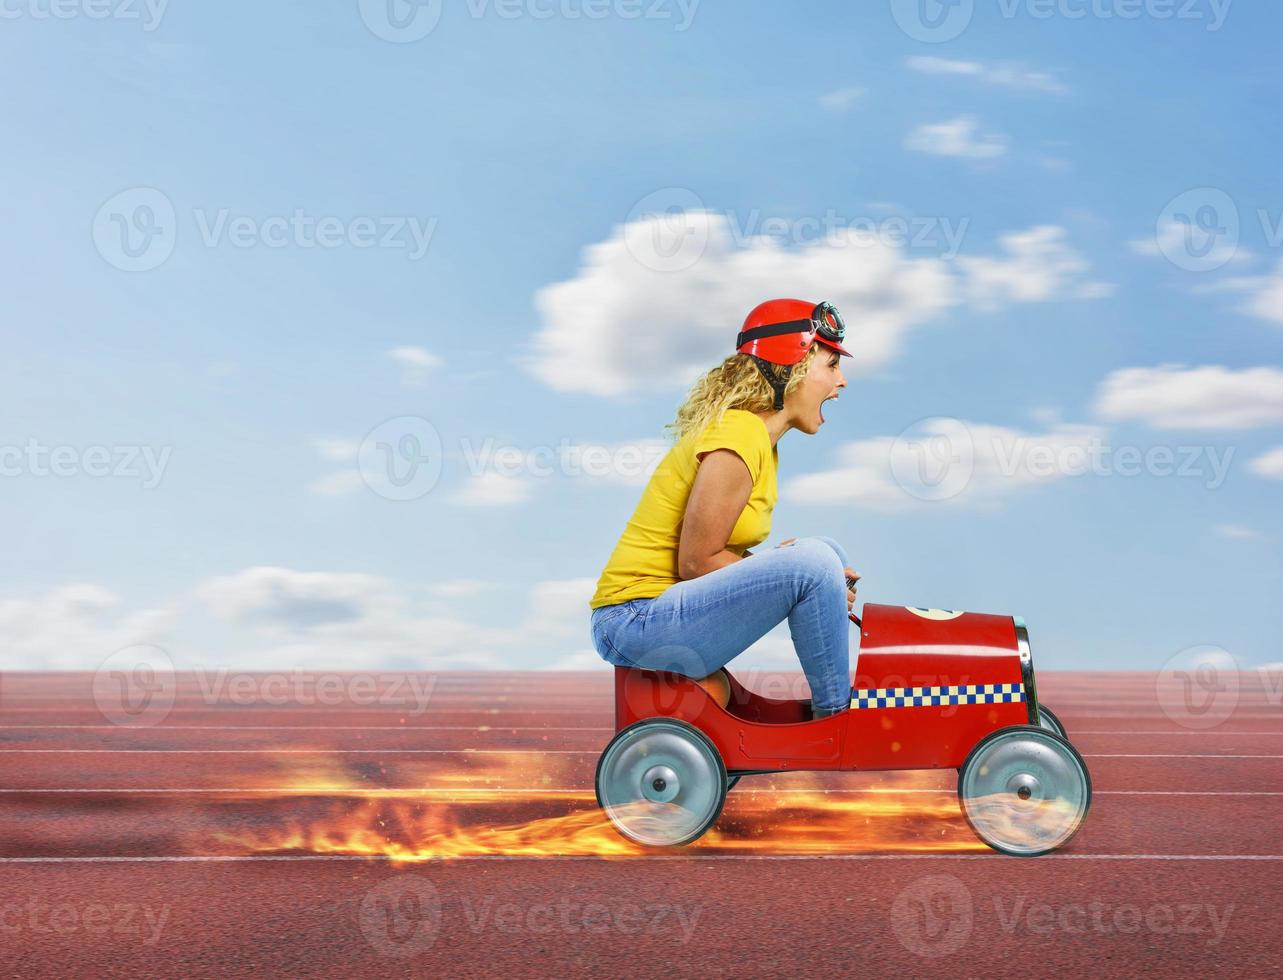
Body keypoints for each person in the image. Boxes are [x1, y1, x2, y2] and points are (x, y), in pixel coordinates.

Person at [587, 298, 860, 719]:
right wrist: (798, 569)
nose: (841, 382)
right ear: (793, 370)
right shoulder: (740, 434)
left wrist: (805, 574)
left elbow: (707, 556)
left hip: (659, 610)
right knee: (813, 561)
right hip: (633, 620)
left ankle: (830, 709)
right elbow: (696, 562)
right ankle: (837, 716)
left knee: (823, 551)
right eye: (831, 365)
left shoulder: (760, 444)